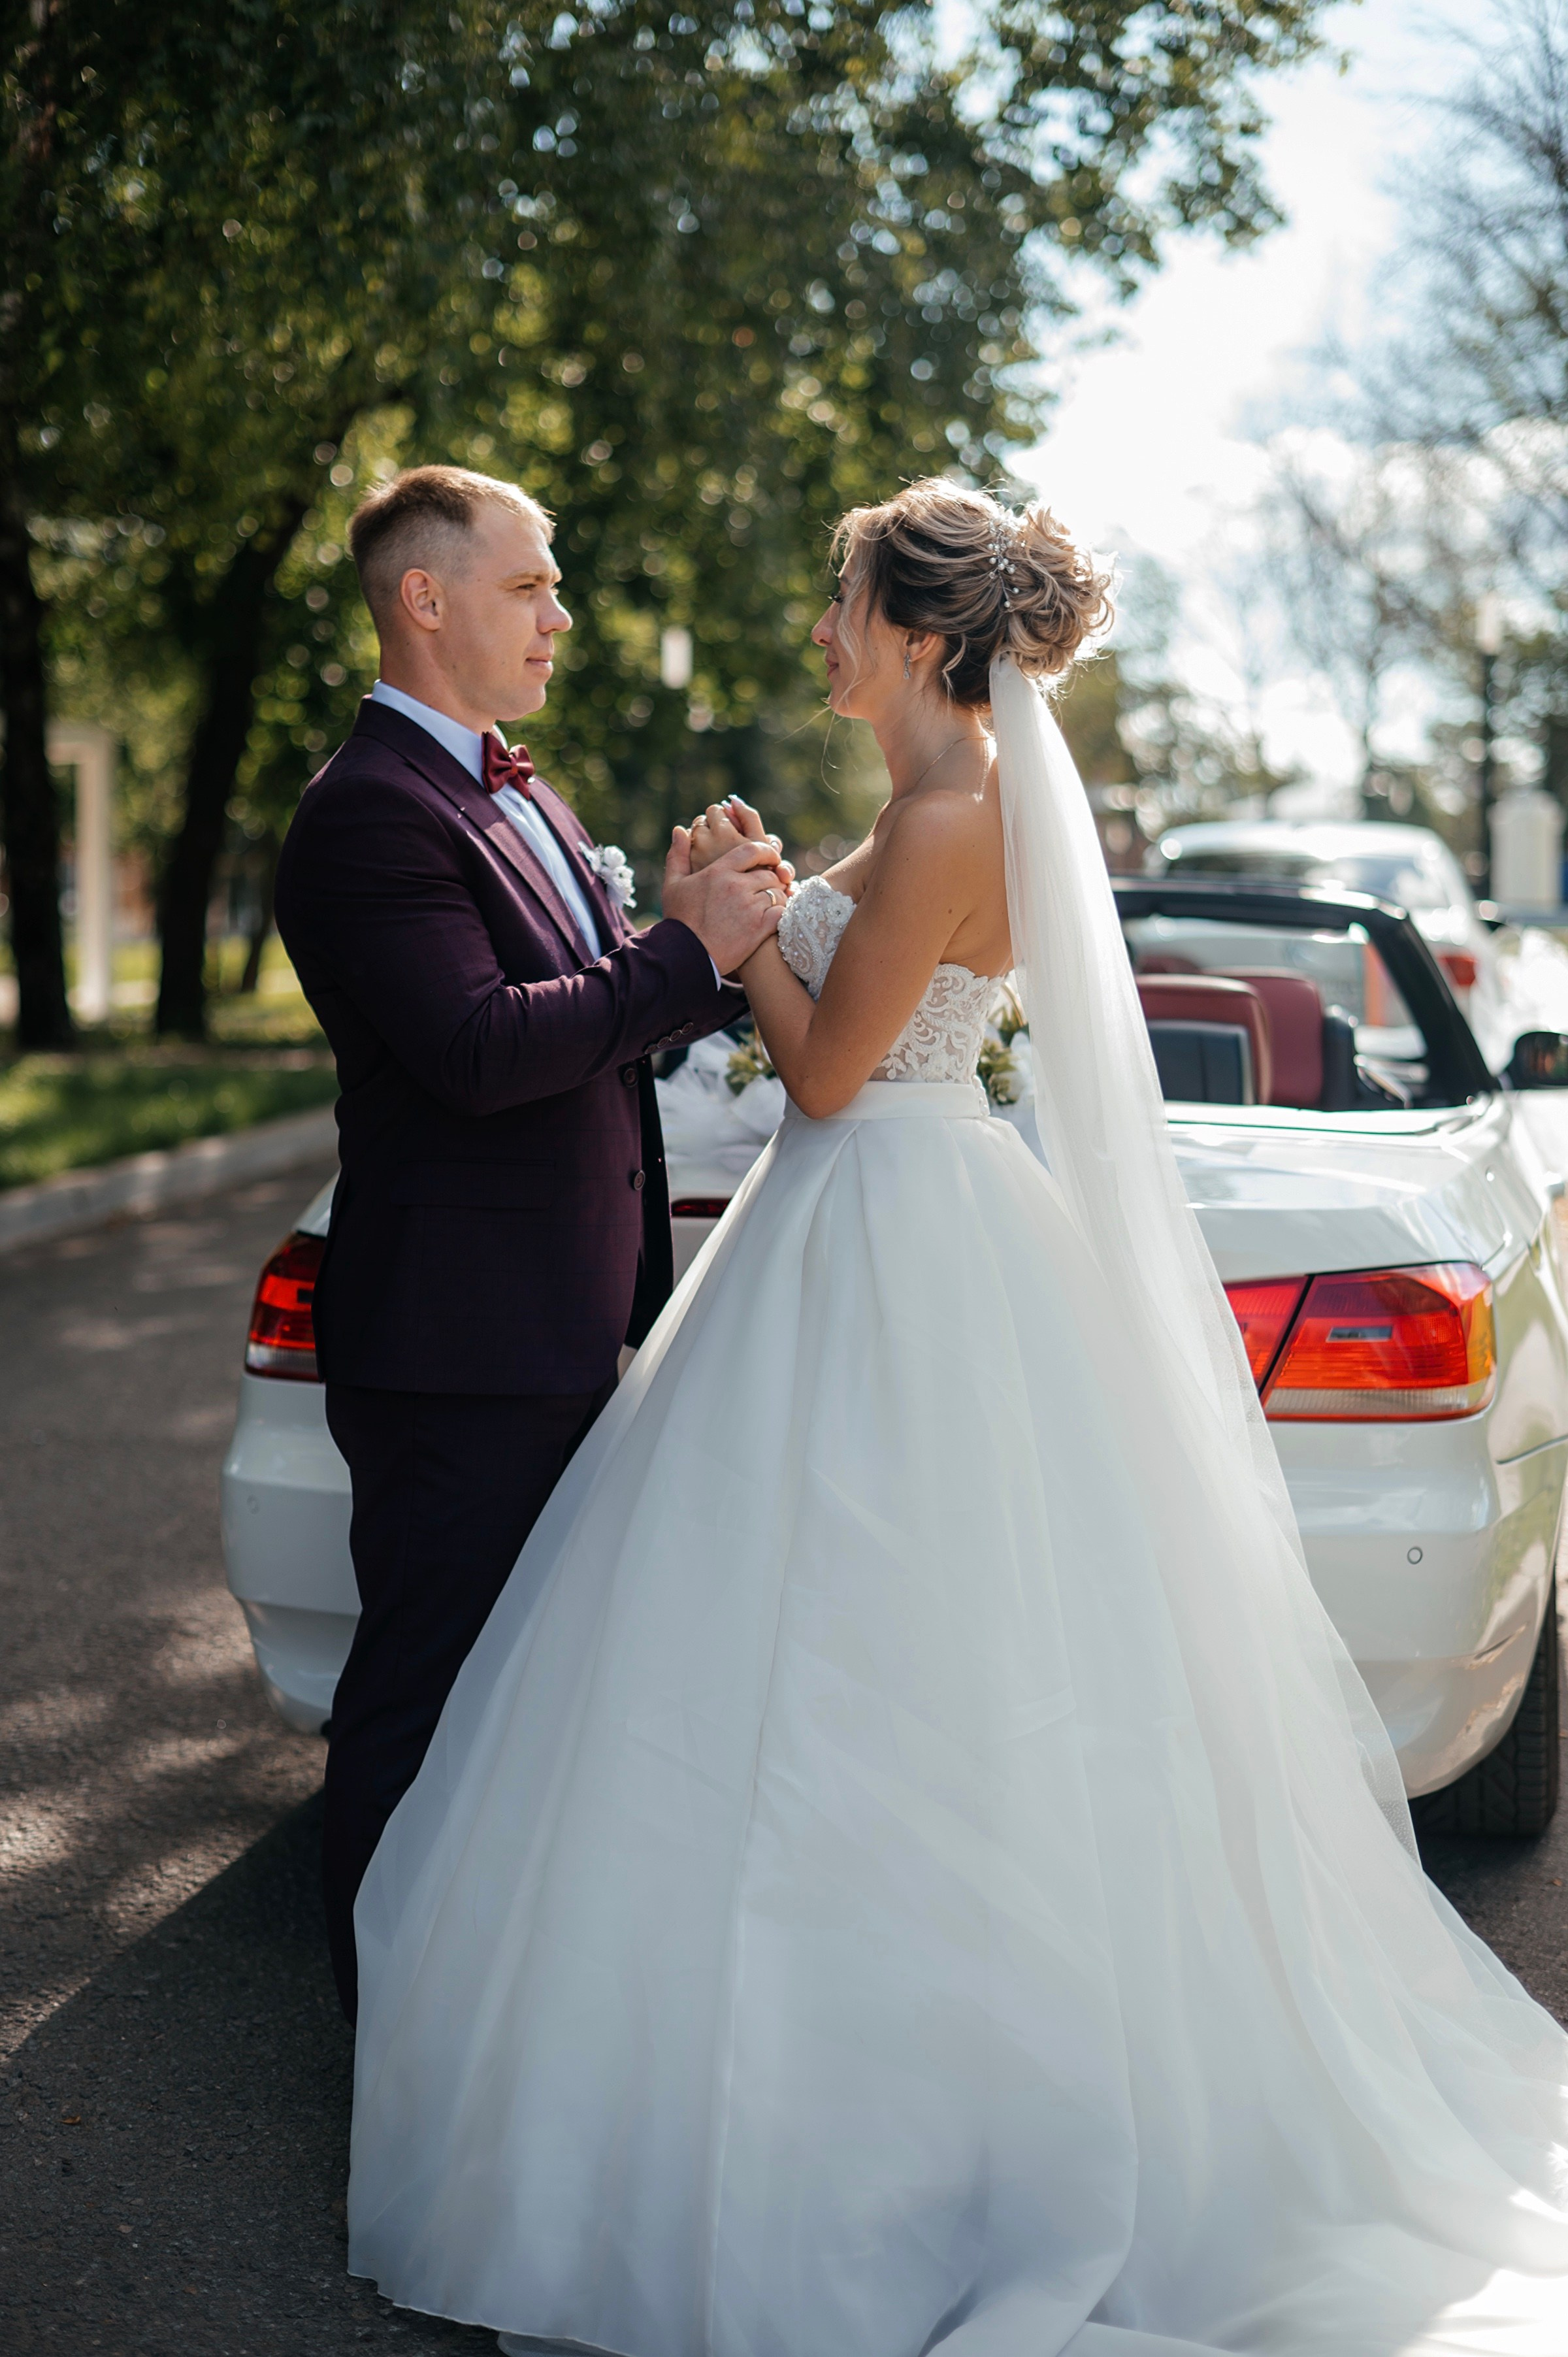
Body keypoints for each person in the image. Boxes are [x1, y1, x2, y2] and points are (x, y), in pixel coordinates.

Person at [346, 479, 1568, 2355]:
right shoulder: (931, 800)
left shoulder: (953, 807)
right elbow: (834, 955)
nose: (823, 634)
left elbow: (831, 1072)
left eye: (843, 605)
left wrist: (734, 941)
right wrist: (752, 895)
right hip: (872, 1240)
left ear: (916, 634)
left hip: (886, 1230)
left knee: (868, 1672)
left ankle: (892, 2128)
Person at [272, 465, 788, 2019]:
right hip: (459, 1345)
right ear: (424, 599)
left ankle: (489, 2029)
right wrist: (691, 953)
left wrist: (674, 938)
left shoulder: (523, 789)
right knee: (423, 1703)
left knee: (521, 1699)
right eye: (530, 585)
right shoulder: (368, 811)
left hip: (559, 1321)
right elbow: (483, 1049)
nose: (561, 613)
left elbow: (593, 1010)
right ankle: (391, 2055)